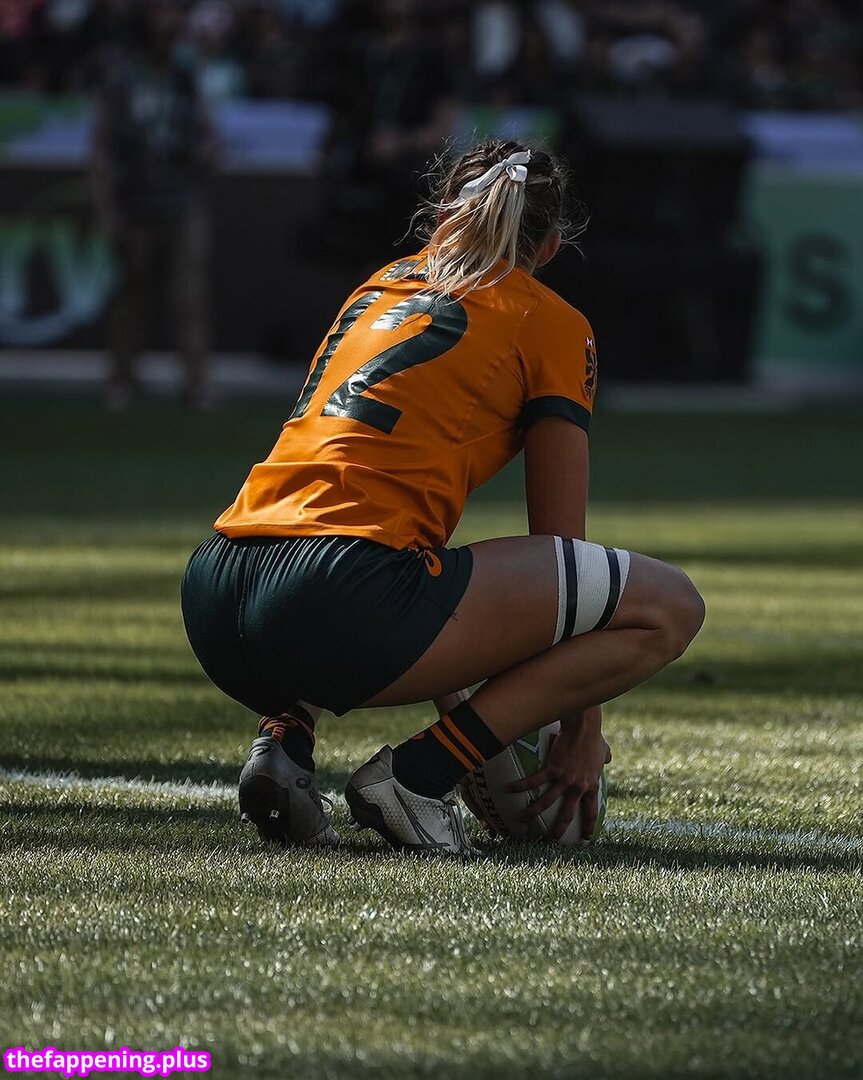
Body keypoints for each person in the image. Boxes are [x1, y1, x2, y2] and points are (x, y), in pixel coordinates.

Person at [181, 139, 705, 854]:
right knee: (669, 606)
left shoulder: (377, 286)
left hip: (215, 592)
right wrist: (581, 725)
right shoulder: (550, 321)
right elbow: (561, 546)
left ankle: (284, 741)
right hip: (336, 593)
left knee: (392, 568)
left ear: (440, 219)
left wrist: (461, 689)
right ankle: (417, 777)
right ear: (550, 247)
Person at [92, 0, 215, 411]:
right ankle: (121, 380)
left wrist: (206, 148)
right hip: (135, 202)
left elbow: (207, 130)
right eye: (160, 16)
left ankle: (197, 385)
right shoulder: (122, 78)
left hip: (183, 201)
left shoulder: (184, 77)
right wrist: (107, 207)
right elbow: (102, 146)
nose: (169, 24)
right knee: (130, 296)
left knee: (189, 298)